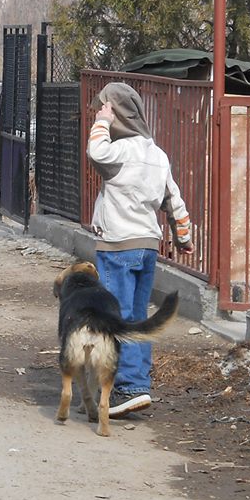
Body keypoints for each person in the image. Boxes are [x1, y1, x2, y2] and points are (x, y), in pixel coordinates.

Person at [86, 82, 194, 419]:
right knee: (137, 317)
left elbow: (96, 152)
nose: (99, 115)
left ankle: (125, 386)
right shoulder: (157, 154)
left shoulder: (122, 151)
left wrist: (101, 122)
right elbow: (172, 198)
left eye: (104, 109)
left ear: (116, 115)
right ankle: (137, 384)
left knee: (115, 318)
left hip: (118, 245)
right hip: (147, 246)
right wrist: (183, 235)